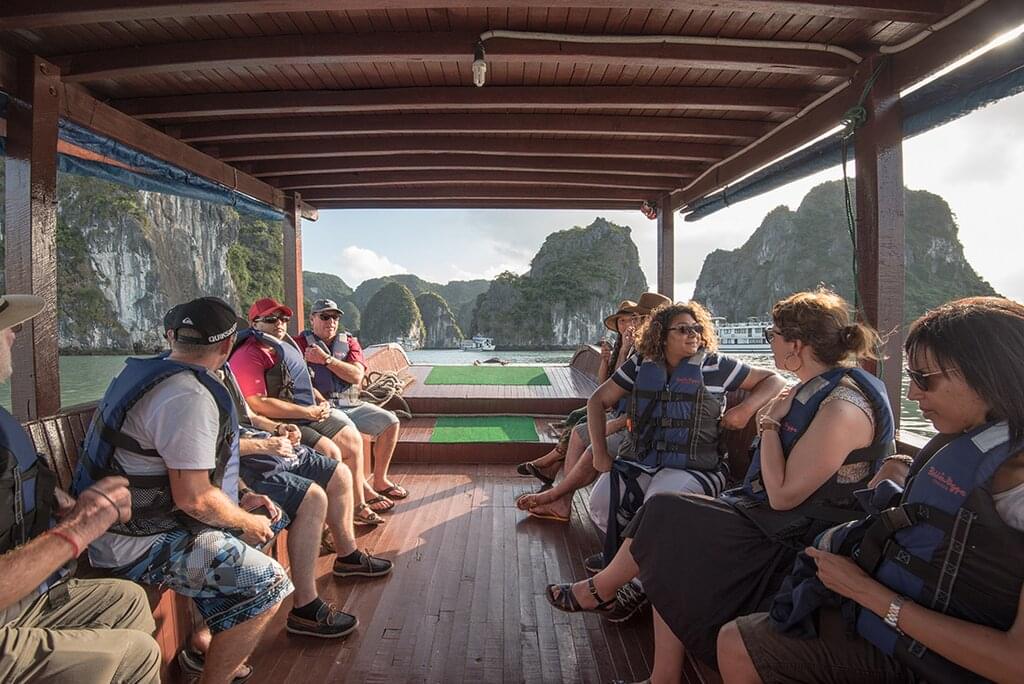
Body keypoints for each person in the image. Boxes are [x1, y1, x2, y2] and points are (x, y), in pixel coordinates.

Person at [548, 289, 895, 683]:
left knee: (668, 520)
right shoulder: (809, 387)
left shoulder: (842, 407)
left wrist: (767, 423)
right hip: (765, 514)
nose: (770, 342)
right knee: (665, 516)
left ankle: (601, 592)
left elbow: (784, 497)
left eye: (772, 335)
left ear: (796, 345)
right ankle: (652, 660)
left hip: (795, 535)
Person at [718, 296, 1024, 684]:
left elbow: (1016, 663)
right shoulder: (978, 438)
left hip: (940, 656)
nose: (912, 395)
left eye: (924, 379)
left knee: (738, 642)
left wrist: (868, 594)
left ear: (990, 376)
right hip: (918, 614)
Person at [74, 296, 294, 684]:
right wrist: (247, 521)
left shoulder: (157, 375)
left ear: (171, 337)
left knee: (251, 525)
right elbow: (194, 499)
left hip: (128, 522)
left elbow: (197, 472)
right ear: (228, 346)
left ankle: (207, 642)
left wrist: (242, 495)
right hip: (135, 543)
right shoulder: (188, 397)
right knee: (269, 583)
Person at [543, 299, 784, 624]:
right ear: (662, 335)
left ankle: (632, 588)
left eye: (696, 328)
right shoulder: (640, 365)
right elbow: (598, 400)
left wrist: (745, 410)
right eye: (682, 329)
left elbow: (774, 380)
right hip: (642, 463)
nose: (692, 334)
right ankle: (635, 567)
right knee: (600, 504)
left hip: (697, 469)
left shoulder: (716, 366)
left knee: (659, 506)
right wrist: (599, 452)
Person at [0, 294, 161, 684]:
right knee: (135, 654)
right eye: (5, 325)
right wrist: (82, 526)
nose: (15, 333)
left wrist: (61, 502)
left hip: (26, 598)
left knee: (127, 601)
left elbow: (24, 479)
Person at [515, 293, 678, 519]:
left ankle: (558, 494)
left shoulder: (666, 357)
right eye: (632, 319)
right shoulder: (641, 353)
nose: (634, 323)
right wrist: (622, 351)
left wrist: (618, 423)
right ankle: (561, 498)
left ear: (655, 322)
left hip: (642, 431)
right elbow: (610, 388)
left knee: (589, 444)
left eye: (640, 318)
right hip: (625, 418)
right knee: (579, 433)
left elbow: (655, 406)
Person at [228, 298, 384, 525]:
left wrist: (319, 401)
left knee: (352, 441)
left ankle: (357, 505)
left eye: (283, 319)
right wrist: (307, 412)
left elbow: (299, 381)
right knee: (330, 451)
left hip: (304, 411)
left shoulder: (282, 347)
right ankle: (326, 522)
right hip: (279, 419)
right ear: (254, 324)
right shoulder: (248, 354)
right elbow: (257, 404)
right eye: (271, 319)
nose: (279, 324)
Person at [516, 297, 645, 488]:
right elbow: (606, 384)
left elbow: (616, 390)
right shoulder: (621, 346)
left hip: (621, 414)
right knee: (576, 417)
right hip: (615, 407)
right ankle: (552, 470)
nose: (627, 325)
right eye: (622, 321)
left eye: (632, 320)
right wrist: (606, 360)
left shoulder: (639, 350)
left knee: (581, 423)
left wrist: (624, 351)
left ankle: (550, 466)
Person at [295, 299, 406, 504]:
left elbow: (356, 376)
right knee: (350, 432)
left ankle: (380, 480)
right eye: (325, 316)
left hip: (351, 403)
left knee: (391, 422)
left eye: (335, 317)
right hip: (324, 408)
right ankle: (364, 490)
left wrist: (326, 360)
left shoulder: (350, 343)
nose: (331, 321)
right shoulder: (297, 345)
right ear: (312, 319)